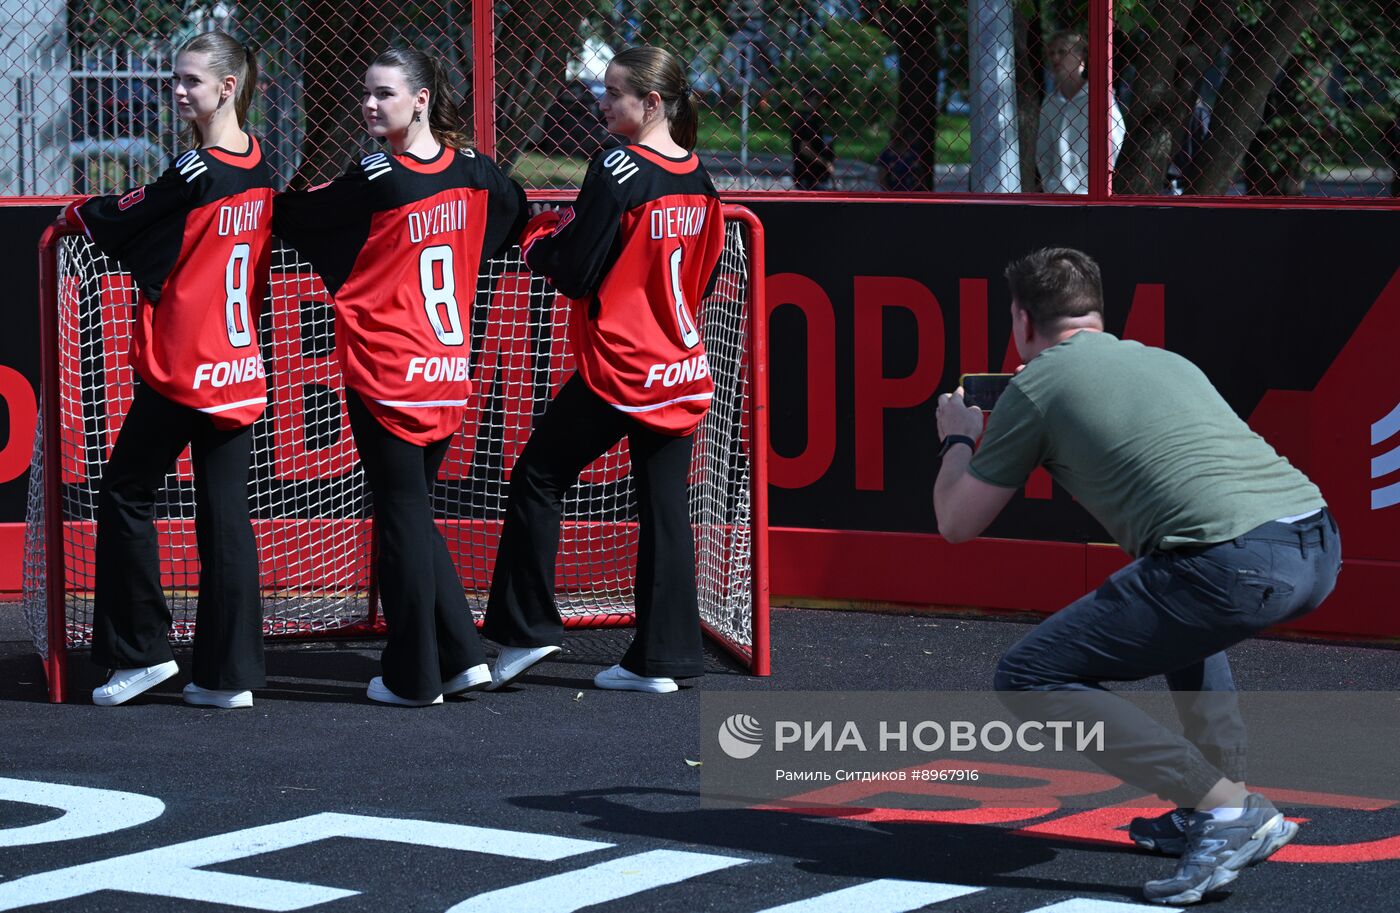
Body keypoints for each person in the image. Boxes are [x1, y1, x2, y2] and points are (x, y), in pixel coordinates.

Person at [933, 248, 1339, 905]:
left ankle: (1225, 807)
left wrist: (958, 436)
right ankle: (1215, 805)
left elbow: (956, 521)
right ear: (1096, 312)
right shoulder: (1166, 360)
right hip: (1316, 542)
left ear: (1022, 320)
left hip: (1233, 561)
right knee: (1180, 600)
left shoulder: (1035, 387)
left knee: (1029, 676)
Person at [273, 46, 526, 707]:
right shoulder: (476, 169)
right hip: (447, 367)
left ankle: (414, 677)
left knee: (402, 519)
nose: (369, 104)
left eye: (384, 93)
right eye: (366, 92)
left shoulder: (377, 175)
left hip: (388, 369)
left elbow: (296, 217)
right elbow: (516, 209)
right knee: (412, 513)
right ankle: (462, 656)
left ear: (421, 100)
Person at [481, 45, 725, 694]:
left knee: (538, 476)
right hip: (679, 364)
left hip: (624, 364)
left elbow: (575, 270)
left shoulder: (618, 167)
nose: (602, 102)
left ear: (652, 102)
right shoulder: (699, 177)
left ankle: (526, 629)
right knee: (664, 508)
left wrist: (537, 240)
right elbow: (704, 277)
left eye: (615, 92)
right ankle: (661, 659)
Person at [63, 32, 275, 710]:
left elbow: (122, 219)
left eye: (191, 80)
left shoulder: (196, 168)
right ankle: (226, 675)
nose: (179, 91)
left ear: (228, 87)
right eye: (175, 80)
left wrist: (80, 211)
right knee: (225, 516)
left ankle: (142, 653)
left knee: (126, 493)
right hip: (237, 365)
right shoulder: (261, 162)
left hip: (187, 362)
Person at [1035, 31, 1125, 193]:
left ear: (1081, 56)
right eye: (1051, 53)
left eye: (1062, 51)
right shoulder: (1050, 103)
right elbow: (1043, 151)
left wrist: (1101, 186)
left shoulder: (1099, 98)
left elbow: (1116, 146)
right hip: (1057, 194)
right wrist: (1049, 184)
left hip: (1093, 193)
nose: (1055, 58)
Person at [789, 85, 835, 190]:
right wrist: (825, 163)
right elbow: (805, 149)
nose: (820, 102)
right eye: (816, 99)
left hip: (816, 177)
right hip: (809, 177)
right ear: (806, 101)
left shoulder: (815, 120)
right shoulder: (806, 121)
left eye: (821, 99)